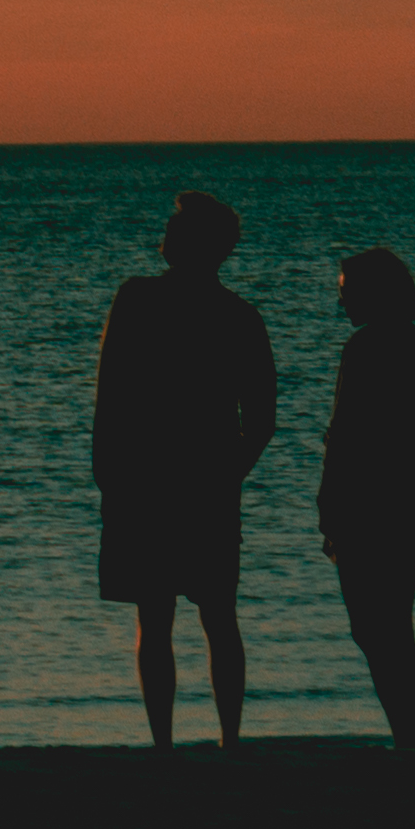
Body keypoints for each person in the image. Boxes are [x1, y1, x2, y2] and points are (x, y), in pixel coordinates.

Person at [90, 188, 280, 746]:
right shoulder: (240, 316)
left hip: (148, 481)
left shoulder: (138, 299)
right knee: (215, 616)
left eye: (173, 231)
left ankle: (167, 744)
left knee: (162, 617)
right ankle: (227, 740)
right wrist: (228, 472)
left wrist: (109, 470)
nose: (163, 239)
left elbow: (110, 393)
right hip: (196, 483)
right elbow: (262, 419)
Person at [319, 246, 415, 746]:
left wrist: (329, 505)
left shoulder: (364, 348)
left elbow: (345, 432)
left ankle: (407, 738)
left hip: (366, 503)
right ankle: (408, 737)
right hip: (408, 499)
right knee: (394, 626)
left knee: (374, 629)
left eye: (346, 292)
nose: (341, 303)